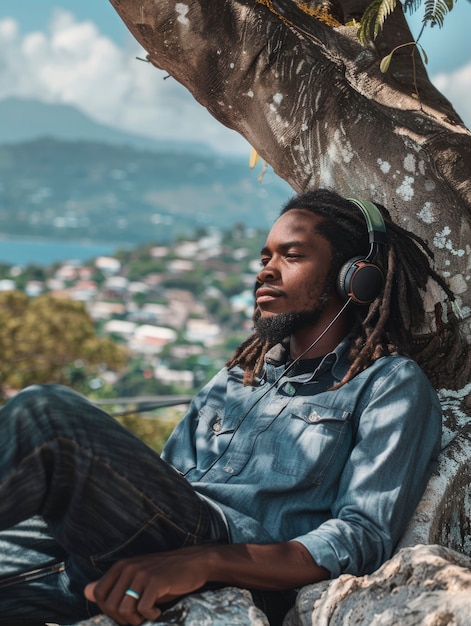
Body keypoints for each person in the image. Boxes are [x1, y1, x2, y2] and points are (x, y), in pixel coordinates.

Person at [0, 189, 467, 626]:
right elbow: (161, 484)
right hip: (155, 539)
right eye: (265, 257)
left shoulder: (388, 385)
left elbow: (359, 536)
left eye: (292, 255)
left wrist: (203, 561)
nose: (266, 269)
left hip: (234, 557)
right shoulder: (236, 377)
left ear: (355, 278)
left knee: (46, 414)